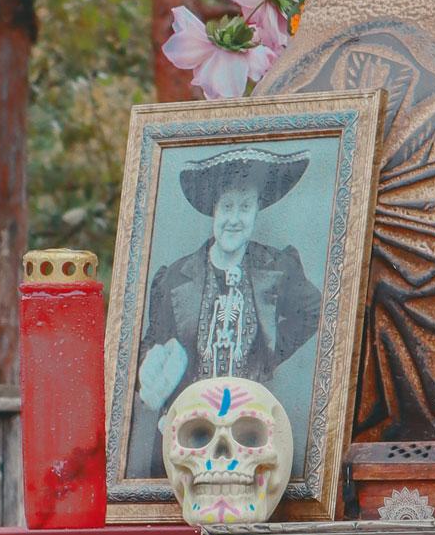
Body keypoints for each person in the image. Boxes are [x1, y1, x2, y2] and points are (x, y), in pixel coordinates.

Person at [129, 146, 320, 477]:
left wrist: (269, 352)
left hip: (251, 430)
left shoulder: (278, 267)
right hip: (190, 430)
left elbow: (313, 312)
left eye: (245, 207)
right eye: (227, 207)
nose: (235, 218)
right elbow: (153, 342)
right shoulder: (174, 277)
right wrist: (153, 372)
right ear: (214, 211)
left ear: (257, 211)